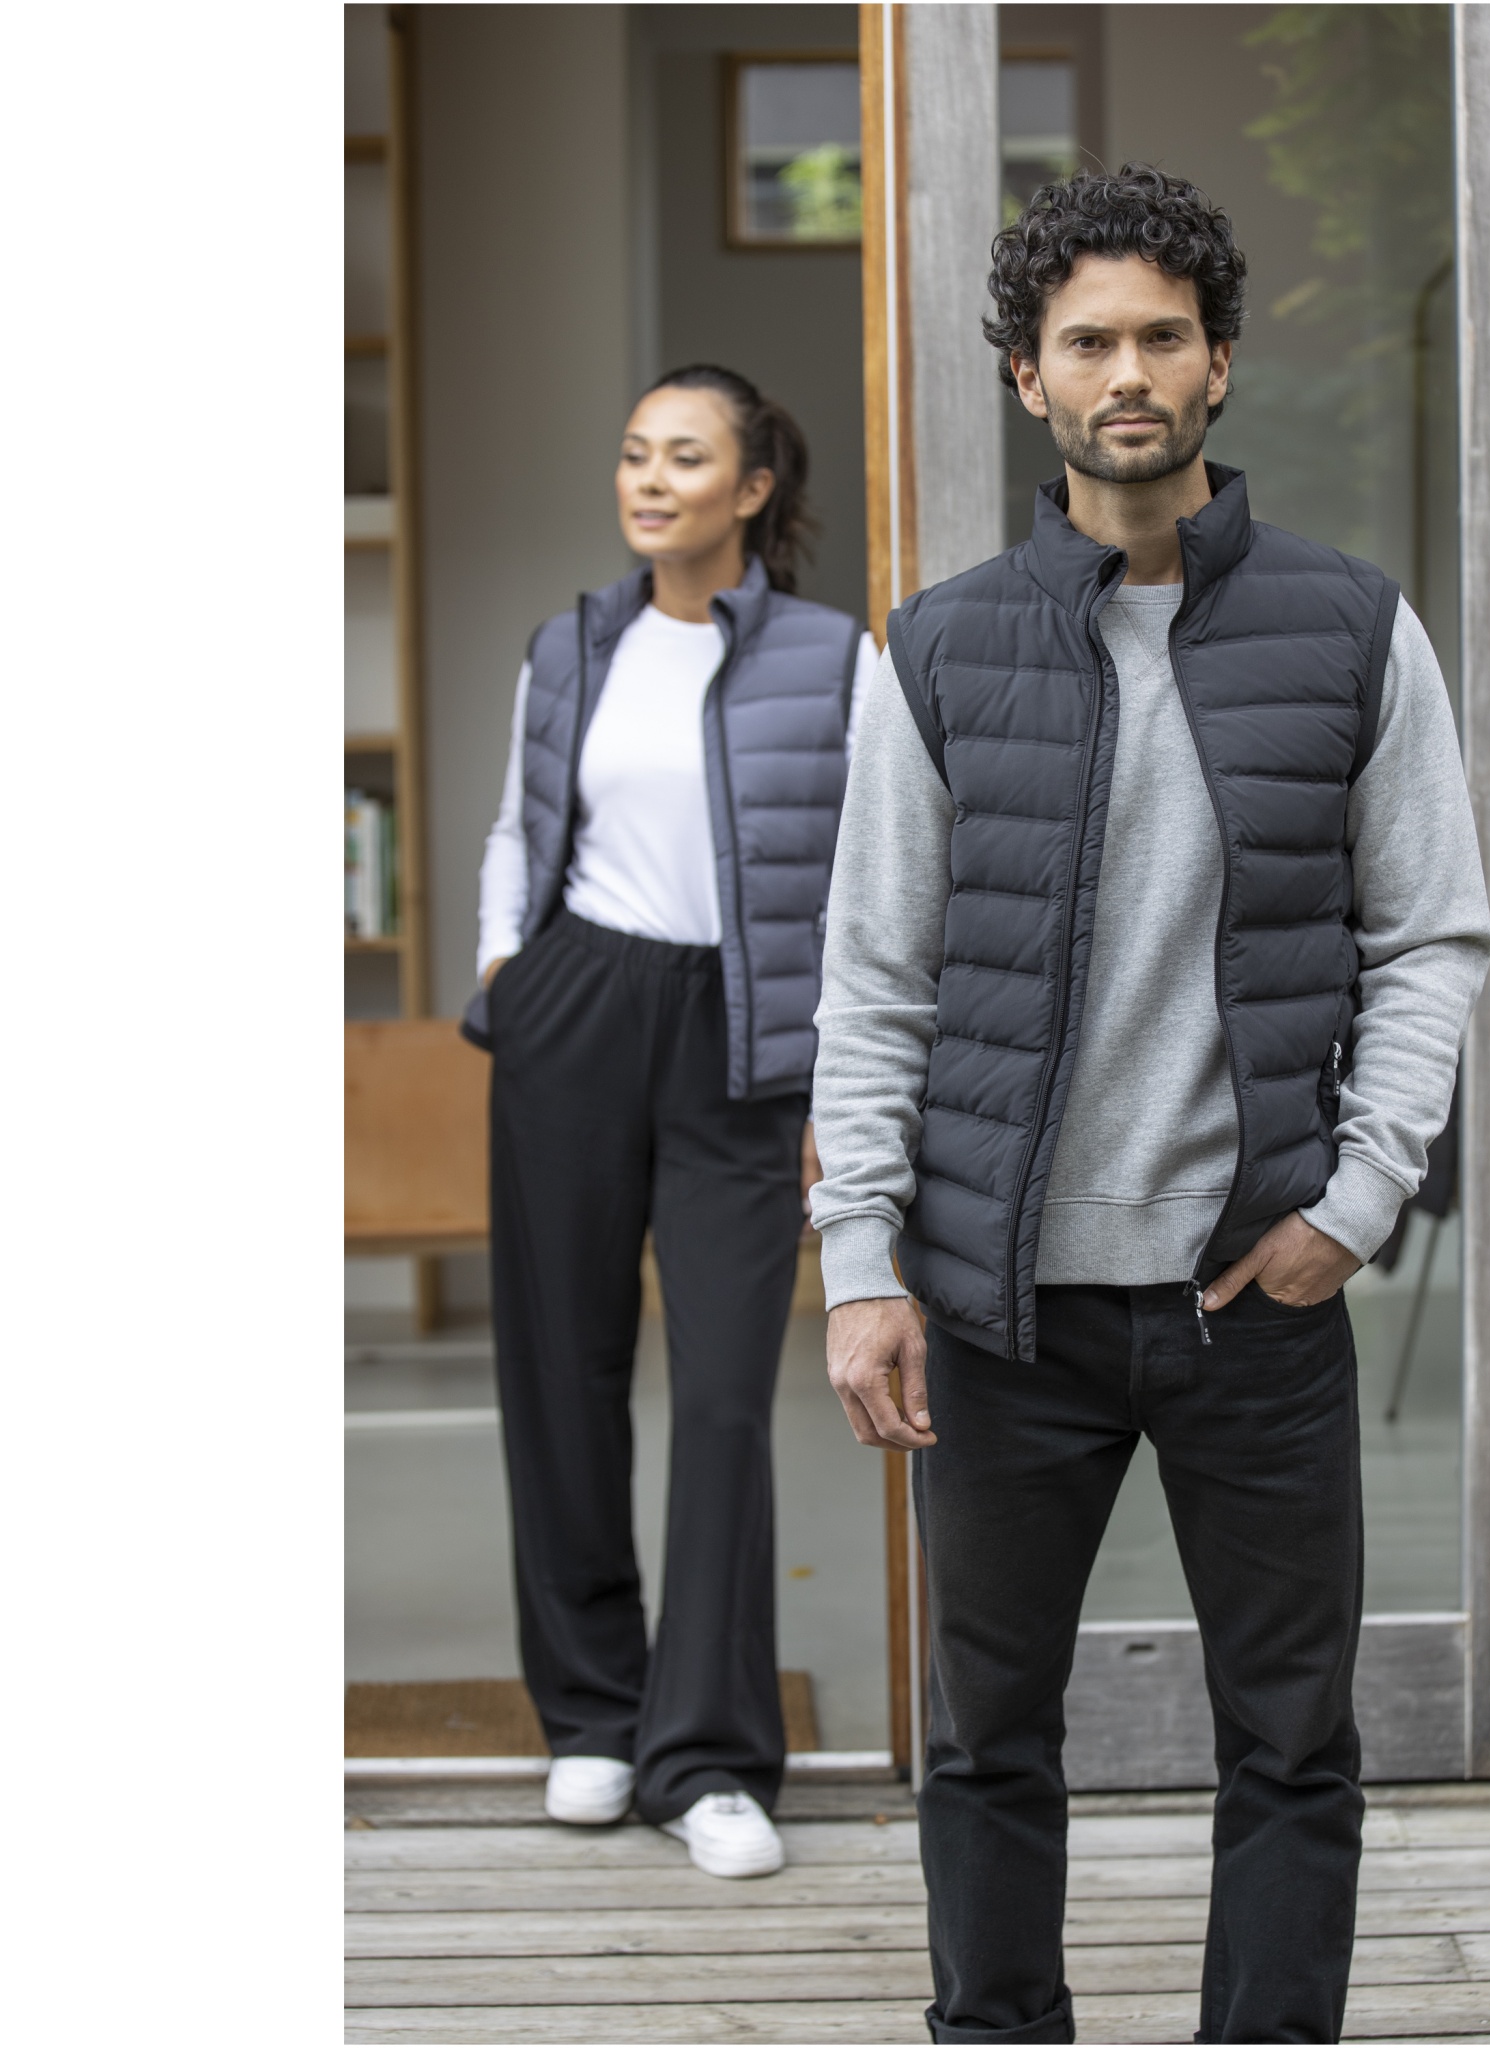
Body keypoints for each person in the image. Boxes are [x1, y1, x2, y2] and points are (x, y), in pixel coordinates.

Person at [808, 168, 1490, 2042]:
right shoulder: (938, 648)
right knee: (987, 1737)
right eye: (1088, 341)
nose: (1128, 373)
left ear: (1219, 364)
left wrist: (1354, 1203)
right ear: (1027, 376)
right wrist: (861, 1259)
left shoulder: (1353, 629)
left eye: (1163, 337)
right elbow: (874, 979)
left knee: (1291, 1739)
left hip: (1250, 1290)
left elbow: (1430, 935)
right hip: (1000, 1307)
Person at [465, 364, 876, 1879]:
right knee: (560, 1373)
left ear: (753, 488)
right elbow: (518, 828)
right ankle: (589, 1717)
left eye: (684, 457)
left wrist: (845, 1078)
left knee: (720, 1398)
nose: (648, 480)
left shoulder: (835, 659)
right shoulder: (572, 643)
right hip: (575, 1010)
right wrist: (505, 972)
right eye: (635, 453)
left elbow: (871, 879)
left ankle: (707, 1755)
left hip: (739, 1040)